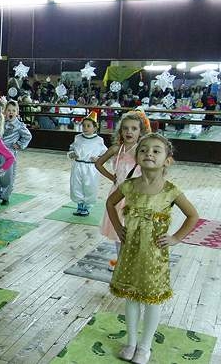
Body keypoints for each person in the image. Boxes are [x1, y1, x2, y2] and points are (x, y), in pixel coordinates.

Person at [107, 134, 198, 364]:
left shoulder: (171, 190)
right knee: (131, 297)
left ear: (167, 160)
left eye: (156, 150)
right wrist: (117, 227)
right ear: (137, 156)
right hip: (130, 252)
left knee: (151, 299)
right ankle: (131, 342)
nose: (149, 153)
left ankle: (145, 346)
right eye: (144, 149)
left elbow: (193, 216)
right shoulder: (128, 185)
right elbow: (110, 203)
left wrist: (176, 238)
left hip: (155, 255)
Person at [96, 111, 150, 270]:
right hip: (117, 196)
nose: (129, 132)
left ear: (141, 132)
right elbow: (98, 164)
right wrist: (112, 177)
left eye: (134, 128)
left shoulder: (142, 150)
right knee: (118, 230)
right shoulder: (116, 149)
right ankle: (121, 260)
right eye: (125, 128)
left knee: (134, 229)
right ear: (120, 131)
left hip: (136, 195)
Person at [68, 111, 107, 216]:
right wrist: (72, 154)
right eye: (84, 125)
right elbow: (72, 148)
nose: (85, 128)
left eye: (88, 126)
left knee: (90, 186)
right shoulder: (78, 138)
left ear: (95, 128)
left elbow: (105, 153)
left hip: (91, 168)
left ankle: (87, 206)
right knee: (76, 185)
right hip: (78, 166)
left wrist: (98, 159)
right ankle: (80, 205)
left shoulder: (99, 140)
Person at [0, 100, 32, 206]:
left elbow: (28, 136)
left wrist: (19, 144)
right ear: (5, 111)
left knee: (8, 175)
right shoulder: (1, 122)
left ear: (17, 112)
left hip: (9, 154)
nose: (11, 112)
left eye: (13, 110)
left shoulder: (19, 125)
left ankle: (5, 196)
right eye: (8, 110)